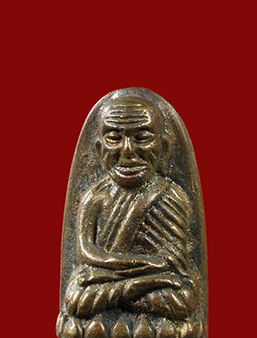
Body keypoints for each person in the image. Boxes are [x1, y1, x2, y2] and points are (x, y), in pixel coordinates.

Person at [64, 93, 197, 320]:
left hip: (151, 282)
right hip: (113, 277)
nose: (127, 150)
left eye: (142, 138)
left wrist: (154, 270)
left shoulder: (170, 195)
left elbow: (177, 262)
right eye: (114, 138)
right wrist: (146, 265)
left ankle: (130, 296)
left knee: (183, 299)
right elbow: (85, 253)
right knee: (76, 297)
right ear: (99, 149)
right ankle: (136, 292)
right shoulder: (95, 197)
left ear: (164, 147)